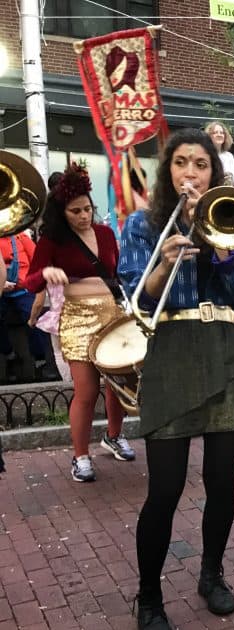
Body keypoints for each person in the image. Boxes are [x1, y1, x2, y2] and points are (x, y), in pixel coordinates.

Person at [118, 128, 234, 630]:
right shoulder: (142, 224)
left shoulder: (233, 218)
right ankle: (149, 597)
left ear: (213, 173)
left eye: (201, 165)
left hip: (223, 349)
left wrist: (220, 248)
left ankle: (211, 573)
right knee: (166, 489)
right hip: (172, 351)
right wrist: (164, 263)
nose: (191, 174)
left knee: (222, 482)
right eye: (181, 164)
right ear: (168, 172)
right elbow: (133, 297)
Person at [24, 165, 136, 482]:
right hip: (75, 318)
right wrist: (46, 274)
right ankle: (80, 456)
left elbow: (119, 274)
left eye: (87, 208)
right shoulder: (52, 239)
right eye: (76, 211)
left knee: (118, 386)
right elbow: (31, 280)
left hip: (111, 314)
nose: (84, 215)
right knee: (86, 392)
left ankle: (114, 436)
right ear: (62, 212)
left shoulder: (105, 233)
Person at [1, 231, 56, 382]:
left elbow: (38, 262)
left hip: (23, 290)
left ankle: (41, 360)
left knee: (34, 318)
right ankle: (9, 354)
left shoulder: (21, 238)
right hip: (1, 292)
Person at [204, 120, 234, 187]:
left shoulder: (229, 156)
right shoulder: (205, 155)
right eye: (215, 133)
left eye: (222, 133)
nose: (219, 135)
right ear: (208, 136)